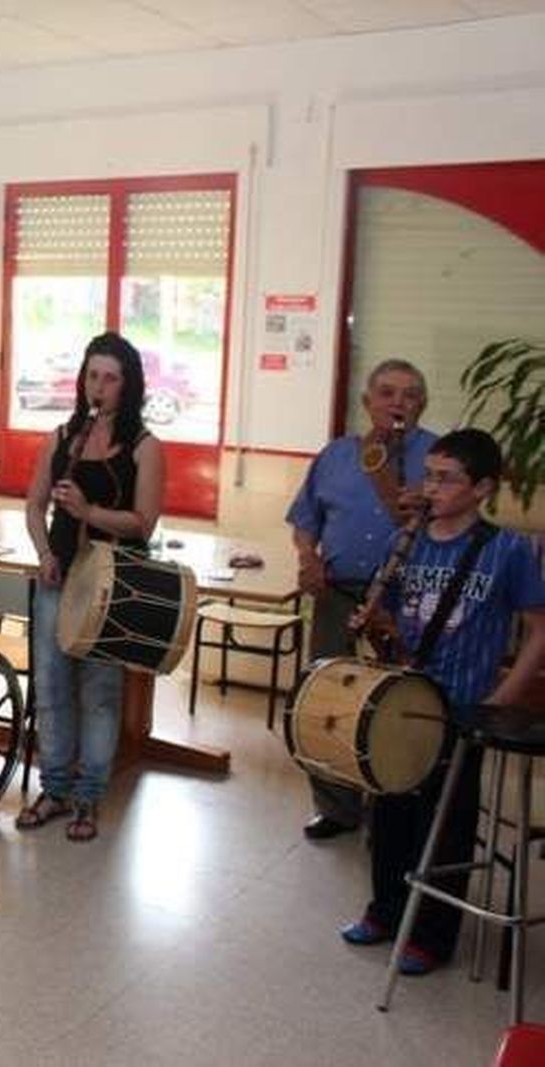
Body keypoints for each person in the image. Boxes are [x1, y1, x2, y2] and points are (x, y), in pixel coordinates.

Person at [338, 428, 545, 975]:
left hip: (463, 705)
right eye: (428, 476)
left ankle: (432, 935)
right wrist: (375, 621)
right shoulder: (407, 540)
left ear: (482, 488)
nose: (431, 488)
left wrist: (500, 700)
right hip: (404, 696)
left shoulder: (507, 550)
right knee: (391, 810)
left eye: (446, 479)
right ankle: (386, 910)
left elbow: (539, 629)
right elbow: (397, 619)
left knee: (446, 821)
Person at [17, 332, 163, 843]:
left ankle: (89, 795)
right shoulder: (61, 437)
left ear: (128, 386)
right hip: (60, 574)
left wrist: (88, 511)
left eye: (110, 379)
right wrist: (44, 553)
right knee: (52, 687)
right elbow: (35, 505)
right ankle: (54, 788)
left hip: (111, 582)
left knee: (99, 692)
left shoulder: (145, 447)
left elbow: (143, 522)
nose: (98, 387)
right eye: (92, 376)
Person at [286, 358, 436, 840]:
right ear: (367, 402)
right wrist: (308, 557)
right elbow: (305, 520)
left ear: (422, 405)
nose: (398, 402)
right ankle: (336, 807)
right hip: (337, 593)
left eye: (409, 394)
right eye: (387, 393)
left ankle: (394, 806)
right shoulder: (335, 455)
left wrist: (425, 509)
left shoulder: (439, 458)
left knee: (400, 704)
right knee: (329, 697)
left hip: (406, 598)